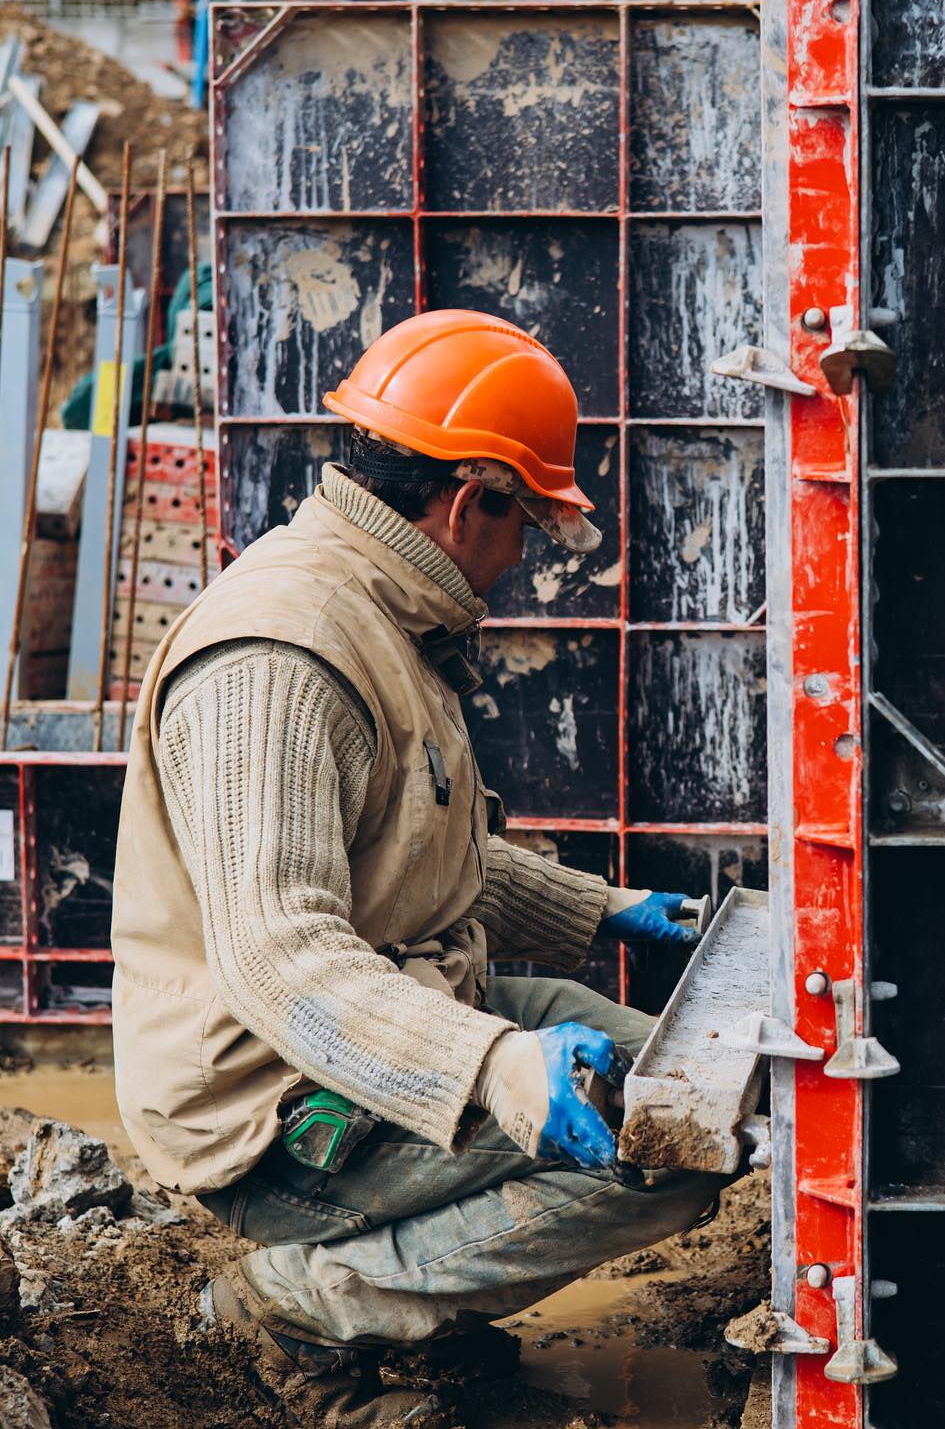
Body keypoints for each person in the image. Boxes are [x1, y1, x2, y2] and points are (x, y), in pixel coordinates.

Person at [110, 310, 724, 1427]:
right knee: (672, 1146)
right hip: (278, 1099)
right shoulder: (282, 658)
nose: (525, 552)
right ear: (470, 497)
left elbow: (409, 849)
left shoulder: (383, 613)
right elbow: (281, 959)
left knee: (711, 1084)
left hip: (413, 994)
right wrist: (494, 1064)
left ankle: (413, 1302)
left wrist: (604, 908)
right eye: (524, 520)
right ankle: (307, 1302)